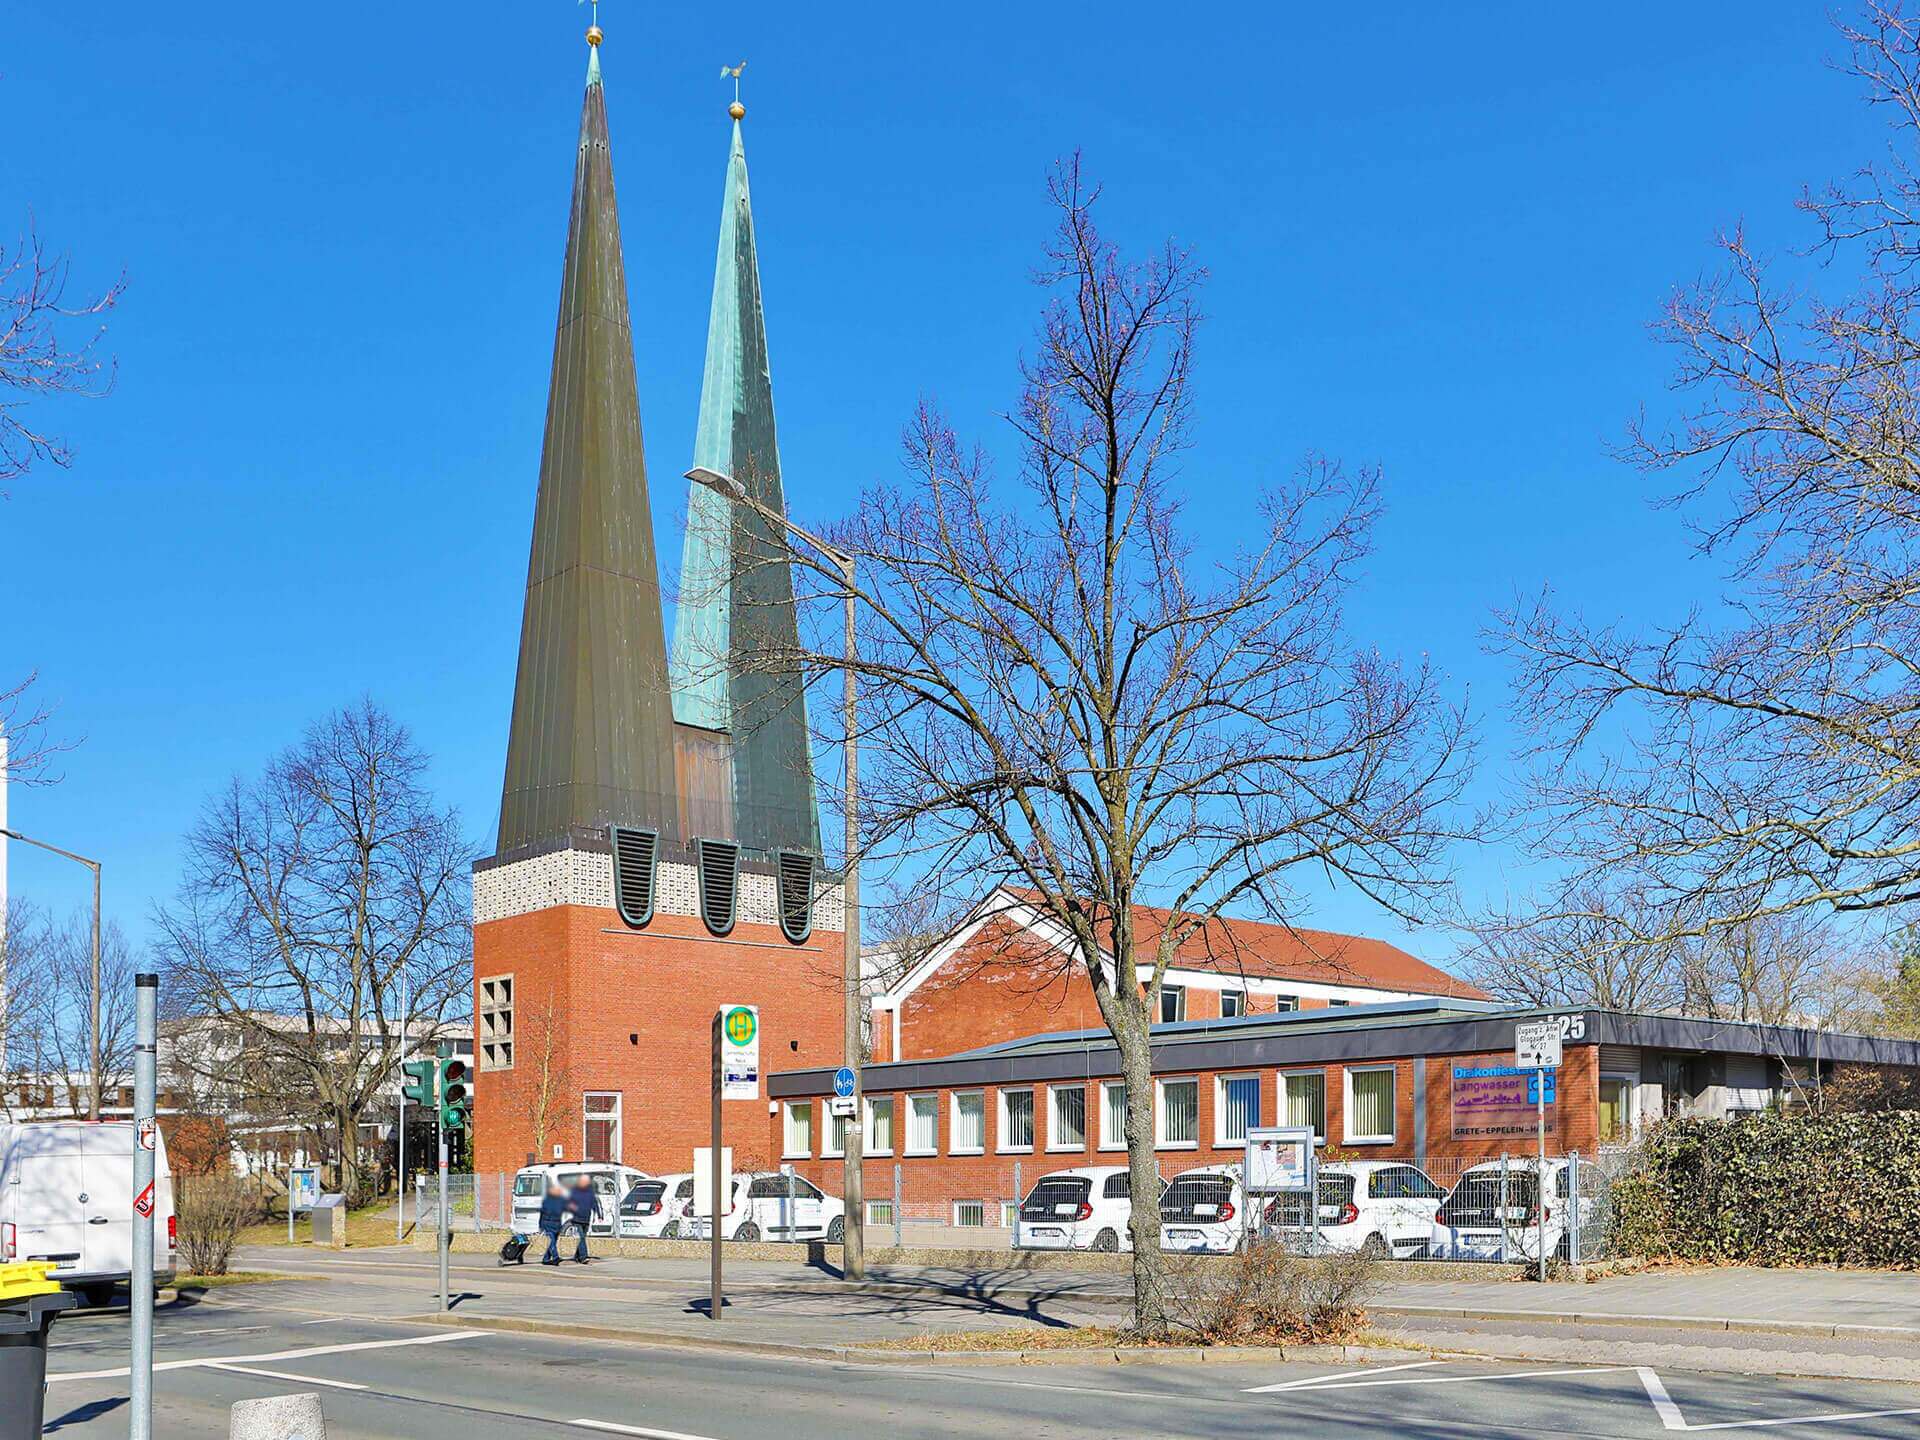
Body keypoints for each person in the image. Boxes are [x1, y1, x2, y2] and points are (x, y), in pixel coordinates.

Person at [565, 1174, 601, 1263]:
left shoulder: (590, 1192)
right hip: (577, 1219)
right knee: (581, 1238)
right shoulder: (574, 1191)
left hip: (586, 1219)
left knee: (582, 1238)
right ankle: (583, 1257)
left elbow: (594, 1204)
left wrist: (599, 1215)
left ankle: (576, 1256)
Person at [537, 1177, 570, 1266]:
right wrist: (540, 1225)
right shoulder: (548, 1201)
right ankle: (555, 1257)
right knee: (551, 1241)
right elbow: (542, 1213)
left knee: (553, 1242)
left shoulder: (560, 1200)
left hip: (556, 1224)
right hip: (548, 1224)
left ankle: (545, 1259)